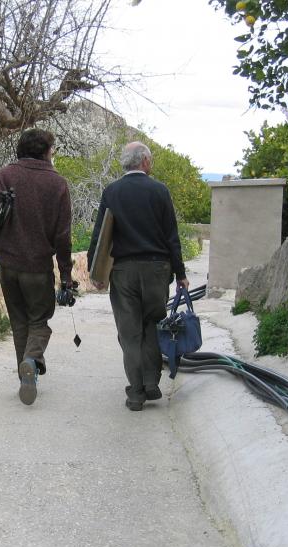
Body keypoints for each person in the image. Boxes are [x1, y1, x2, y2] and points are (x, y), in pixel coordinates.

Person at [87, 141, 189, 411]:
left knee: (129, 333)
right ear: (144, 161)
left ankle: (136, 393)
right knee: (152, 326)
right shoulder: (160, 191)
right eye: (150, 160)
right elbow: (172, 236)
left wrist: (94, 271)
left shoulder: (112, 191)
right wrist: (180, 273)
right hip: (157, 270)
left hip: (124, 272)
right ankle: (151, 381)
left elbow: (100, 234)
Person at [0, 128, 74, 406]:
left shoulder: (4, 175)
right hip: (37, 266)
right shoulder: (57, 183)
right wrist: (66, 275)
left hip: (8, 263)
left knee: (19, 321)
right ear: (46, 151)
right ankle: (31, 361)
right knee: (39, 321)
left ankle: (26, 377)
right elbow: (62, 236)